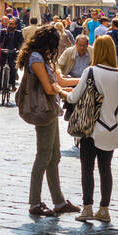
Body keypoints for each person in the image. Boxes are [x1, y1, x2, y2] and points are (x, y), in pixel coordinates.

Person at [18, 25, 80, 218]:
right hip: (42, 111)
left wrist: (84, 78)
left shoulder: (43, 58)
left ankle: (59, 201)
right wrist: (66, 93)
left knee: (54, 156)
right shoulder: (36, 58)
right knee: (44, 156)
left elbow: (60, 81)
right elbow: (49, 87)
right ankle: (34, 202)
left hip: (50, 111)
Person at [66, 34, 118, 223]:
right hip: (111, 129)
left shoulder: (90, 71)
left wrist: (62, 93)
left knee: (87, 169)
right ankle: (104, 209)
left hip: (90, 129)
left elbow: (74, 97)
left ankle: (87, 208)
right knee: (105, 169)